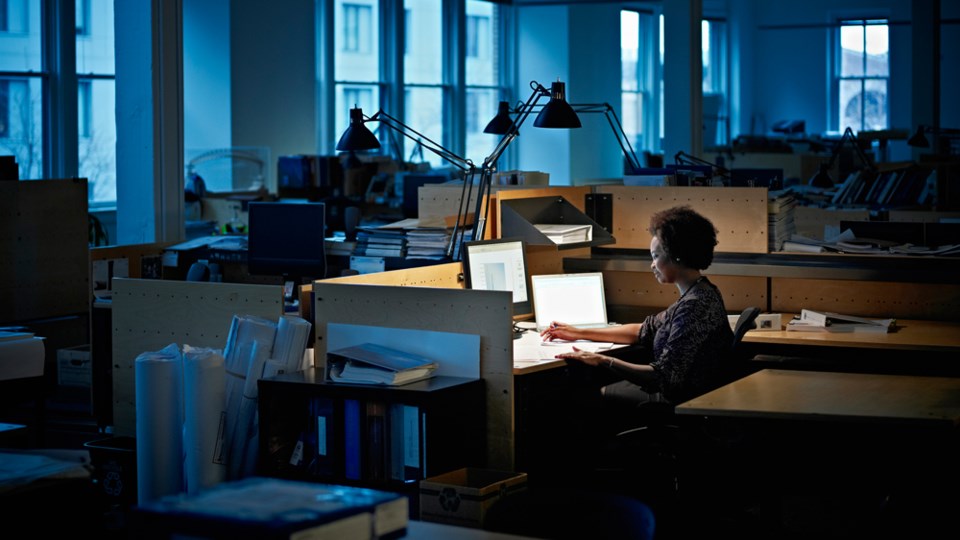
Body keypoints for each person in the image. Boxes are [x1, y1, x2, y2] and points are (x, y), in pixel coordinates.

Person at [541, 205, 734, 407]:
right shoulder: (701, 291)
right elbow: (644, 330)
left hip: (680, 401)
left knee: (577, 393)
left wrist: (603, 360)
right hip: (687, 394)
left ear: (677, 255)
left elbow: (662, 377)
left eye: (656, 256)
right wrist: (578, 332)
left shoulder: (694, 307)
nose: (652, 265)